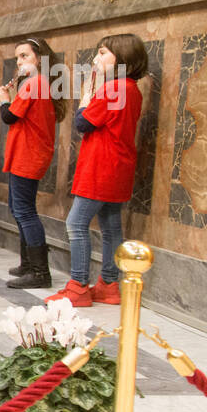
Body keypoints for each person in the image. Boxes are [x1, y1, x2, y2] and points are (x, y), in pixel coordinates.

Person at [47, 33, 147, 307]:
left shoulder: (114, 88)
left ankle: (78, 286)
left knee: (76, 224)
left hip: (101, 166)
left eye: (102, 53)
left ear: (122, 57)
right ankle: (109, 284)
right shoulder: (132, 88)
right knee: (111, 225)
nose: (95, 58)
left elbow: (83, 122)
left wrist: (86, 98)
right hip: (119, 166)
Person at [0, 36, 63, 290]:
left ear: (40, 59)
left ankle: (40, 272)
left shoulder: (35, 83)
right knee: (18, 207)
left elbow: (9, 116)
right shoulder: (37, 83)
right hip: (26, 154)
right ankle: (28, 264)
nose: (19, 61)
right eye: (17, 57)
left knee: (25, 211)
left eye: (25, 56)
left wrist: (3, 98)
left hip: (29, 156)